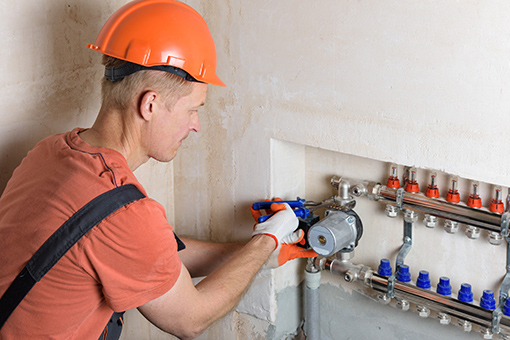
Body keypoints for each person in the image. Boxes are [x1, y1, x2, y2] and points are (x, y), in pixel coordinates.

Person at [0, 0, 315, 339]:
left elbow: (158, 255)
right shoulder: (126, 214)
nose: (195, 125)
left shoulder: (52, 151)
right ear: (149, 104)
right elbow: (191, 319)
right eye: (193, 109)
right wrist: (266, 241)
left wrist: (255, 252)